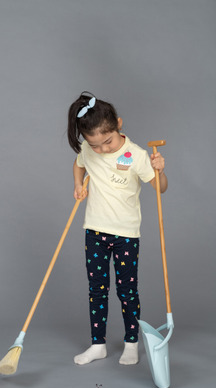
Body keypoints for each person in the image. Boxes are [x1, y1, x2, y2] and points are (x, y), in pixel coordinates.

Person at [67, 91, 168, 366]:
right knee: (97, 290)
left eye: (107, 141)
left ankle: (131, 342)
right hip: (95, 232)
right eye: (95, 145)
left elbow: (160, 188)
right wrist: (78, 185)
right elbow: (79, 165)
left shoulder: (136, 155)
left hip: (126, 235)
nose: (102, 149)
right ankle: (97, 344)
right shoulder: (89, 150)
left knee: (127, 291)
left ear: (118, 124)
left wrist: (159, 170)